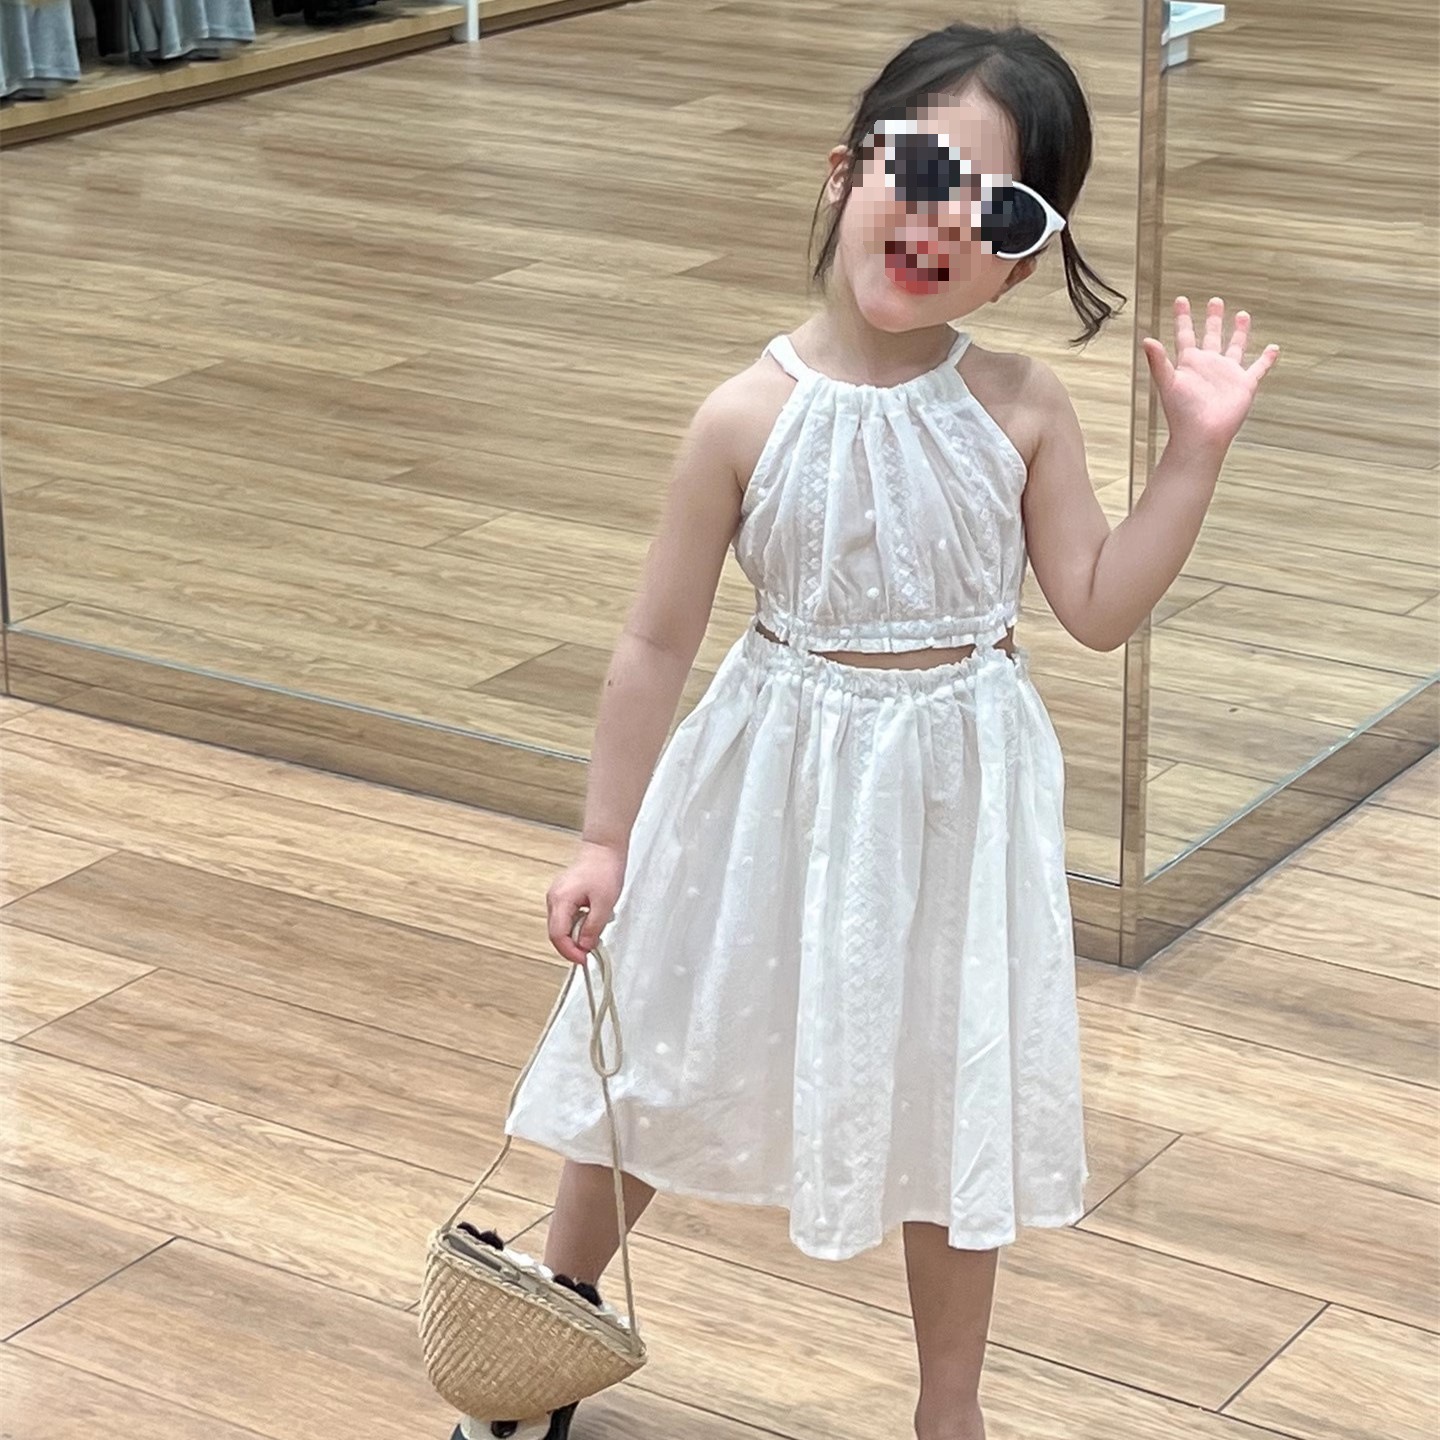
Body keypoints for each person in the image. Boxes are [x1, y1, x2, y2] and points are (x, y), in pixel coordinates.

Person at [475, 20, 1278, 1440]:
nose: (945, 224)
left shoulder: (1023, 408)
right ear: (846, 169)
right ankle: (548, 1315)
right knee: (663, 1042)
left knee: (948, 1086)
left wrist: (1194, 459)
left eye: (1002, 213)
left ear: (1023, 263)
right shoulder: (741, 417)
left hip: (955, 797)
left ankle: (947, 1408)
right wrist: (604, 835)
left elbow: (1097, 604)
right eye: (922, 172)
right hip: (767, 777)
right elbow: (654, 642)